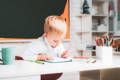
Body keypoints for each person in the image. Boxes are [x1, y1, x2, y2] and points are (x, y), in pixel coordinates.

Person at [21, 15, 70, 80]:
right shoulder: (38, 44)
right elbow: (24, 56)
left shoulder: (58, 43)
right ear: (45, 35)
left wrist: (64, 55)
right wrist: (39, 57)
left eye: (61, 40)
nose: (59, 43)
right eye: (55, 41)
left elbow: (61, 54)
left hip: (53, 72)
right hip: (38, 73)